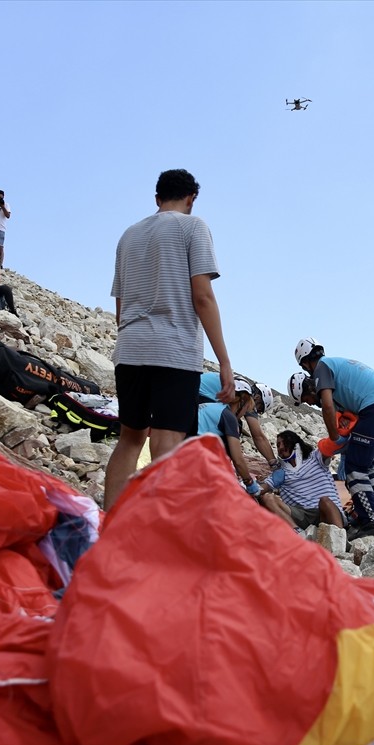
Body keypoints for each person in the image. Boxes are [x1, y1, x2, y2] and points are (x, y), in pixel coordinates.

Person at [103, 169, 234, 511]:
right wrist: (224, 361)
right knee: (167, 441)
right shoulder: (194, 227)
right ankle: (163, 531)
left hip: (130, 348)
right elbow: (202, 295)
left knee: (130, 439)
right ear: (192, 198)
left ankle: (111, 523)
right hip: (173, 350)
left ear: (157, 198)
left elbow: (120, 304)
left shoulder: (128, 236)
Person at [289, 337, 374, 535]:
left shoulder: (322, 368)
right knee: (367, 463)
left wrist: (332, 438)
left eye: (307, 399)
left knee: (354, 466)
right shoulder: (337, 374)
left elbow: (326, 407)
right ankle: (369, 513)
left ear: (306, 364)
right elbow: (349, 430)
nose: (310, 403)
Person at [259, 429, 346, 531]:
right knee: (268, 498)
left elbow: (333, 443)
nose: (281, 447)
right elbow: (258, 490)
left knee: (325, 501)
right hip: (302, 516)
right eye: (278, 445)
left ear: (295, 443)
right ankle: (298, 533)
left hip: (325, 513)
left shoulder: (315, 457)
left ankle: (340, 538)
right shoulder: (281, 473)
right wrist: (248, 484)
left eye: (285, 442)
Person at [198, 378, 261, 498]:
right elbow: (238, 460)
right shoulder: (228, 417)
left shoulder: (211, 406)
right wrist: (249, 483)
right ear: (243, 402)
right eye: (247, 408)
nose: (243, 415)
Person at [199, 373, 278, 468]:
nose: (254, 411)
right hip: (197, 397)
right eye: (259, 408)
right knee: (234, 425)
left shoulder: (241, 384)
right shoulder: (245, 394)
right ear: (257, 398)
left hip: (194, 393)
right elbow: (258, 436)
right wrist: (274, 463)